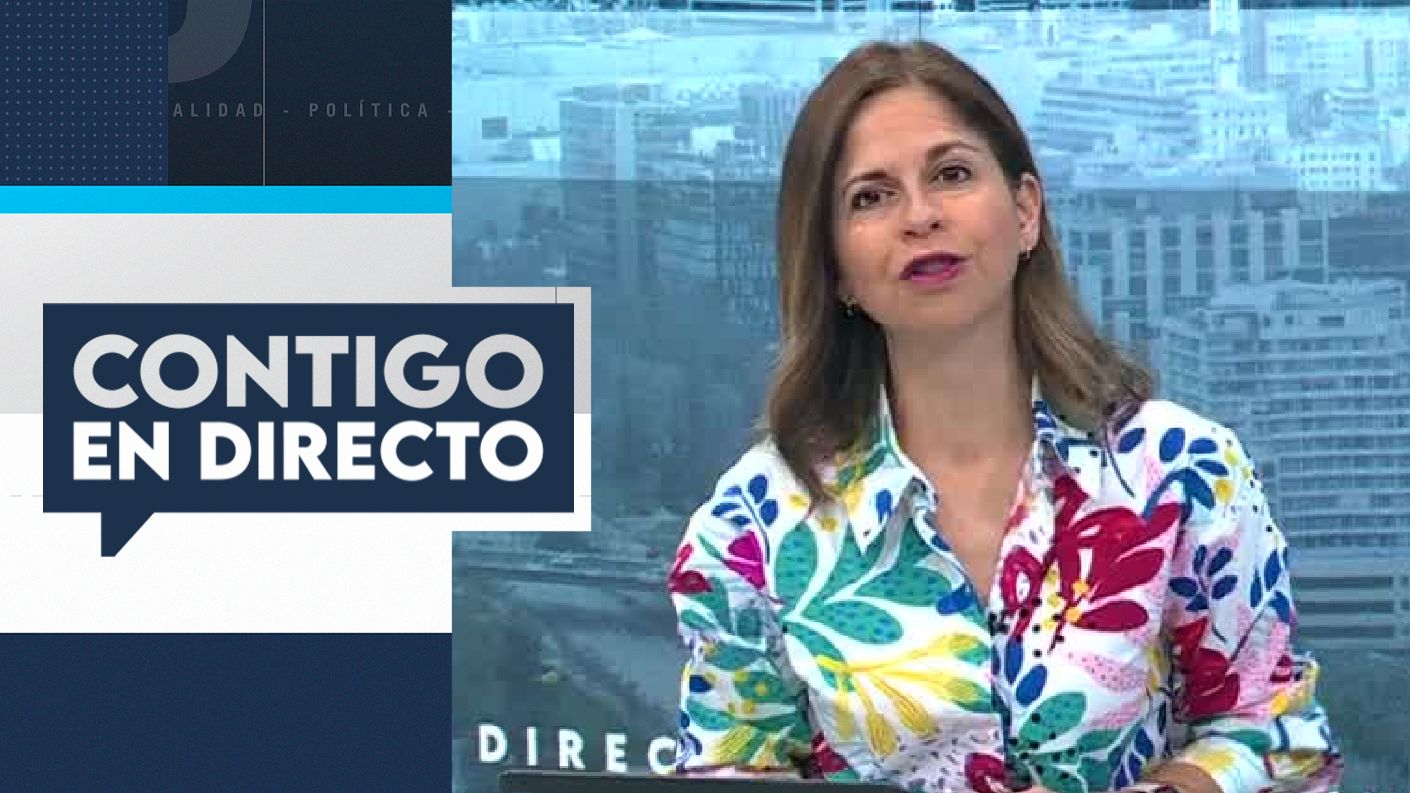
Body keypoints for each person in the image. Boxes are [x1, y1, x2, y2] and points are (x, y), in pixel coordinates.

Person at [664, 39, 1342, 793]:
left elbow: (1275, 739)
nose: (921, 216)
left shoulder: (1181, 470)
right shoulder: (752, 525)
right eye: (871, 197)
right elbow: (730, 768)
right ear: (835, 270)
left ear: (1025, 212)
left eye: (951, 175)